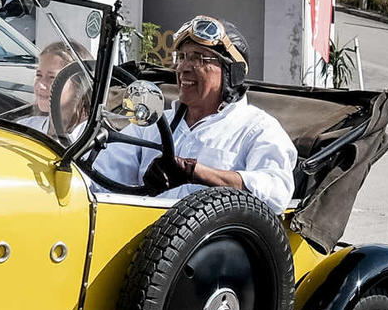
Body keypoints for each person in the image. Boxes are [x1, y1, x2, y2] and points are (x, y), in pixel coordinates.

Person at [93, 15, 297, 213]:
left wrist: (195, 172)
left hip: (217, 245)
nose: (182, 68)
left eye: (198, 59)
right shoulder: (152, 123)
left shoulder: (257, 128)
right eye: (181, 57)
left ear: (232, 73)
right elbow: (101, 180)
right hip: (144, 240)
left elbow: (276, 194)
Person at [18, 40, 91, 138]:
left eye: (52, 78)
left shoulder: (93, 139)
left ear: (79, 86)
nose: (40, 85)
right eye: (39, 75)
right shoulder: (25, 128)